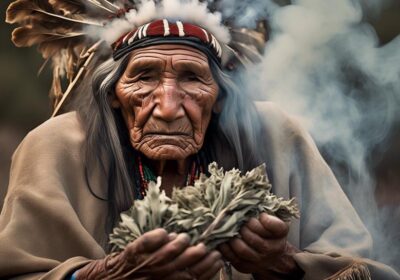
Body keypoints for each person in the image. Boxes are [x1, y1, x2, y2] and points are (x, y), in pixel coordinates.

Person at [1, 16, 399, 280]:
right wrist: (108, 272)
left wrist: (283, 265)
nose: (169, 106)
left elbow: (365, 272)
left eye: (192, 79)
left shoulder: (275, 137)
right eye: (145, 77)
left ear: (220, 98)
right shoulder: (57, 146)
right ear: (114, 96)